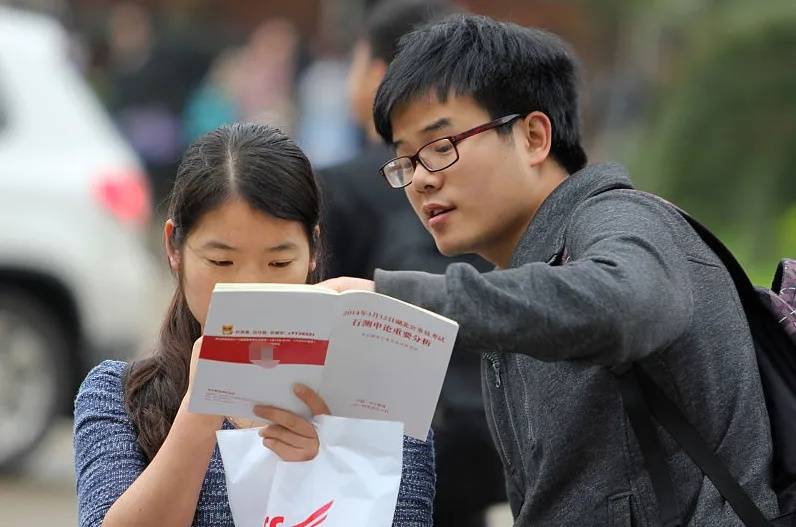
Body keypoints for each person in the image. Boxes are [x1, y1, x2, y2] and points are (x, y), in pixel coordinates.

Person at [320, 14, 780, 525]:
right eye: (405, 162)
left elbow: (626, 306)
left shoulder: (622, 222)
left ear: (535, 136)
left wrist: (396, 303)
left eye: (441, 146)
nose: (421, 181)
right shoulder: (525, 273)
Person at [73, 123, 435, 527]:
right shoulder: (120, 396)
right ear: (174, 248)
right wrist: (201, 406)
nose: (251, 288)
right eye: (222, 262)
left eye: (279, 263)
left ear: (313, 250)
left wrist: (337, 463)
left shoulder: (379, 399)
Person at [321, 2, 504, 525]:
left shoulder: (342, 186)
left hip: (385, 441)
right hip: (481, 433)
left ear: (380, 75)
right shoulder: (478, 181)